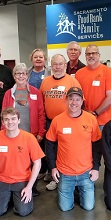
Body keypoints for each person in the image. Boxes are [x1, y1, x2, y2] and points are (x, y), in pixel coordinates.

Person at [45, 87, 102, 211]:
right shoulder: (57, 120)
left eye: (77, 99)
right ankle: (70, 191)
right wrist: (52, 167)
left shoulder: (91, 119)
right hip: (65, 173)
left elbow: (97, 145)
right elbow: (49, 144)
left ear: (82, 101)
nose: (74, 102)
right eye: (71, 99)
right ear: (66, 101)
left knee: (88, 207)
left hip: (85, 172)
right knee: (65, 208)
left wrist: (96, 168)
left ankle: (78, 191)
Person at [0, 107, 45, 217]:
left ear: (19, 120)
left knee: (23, 211)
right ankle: (9, 197)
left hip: (22, 180)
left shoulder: (29, 138)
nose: (10, 122)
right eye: (6, 119)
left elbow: (37, 163)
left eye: (13, 119)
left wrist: (29, 188)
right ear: (2, 121)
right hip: (3, 180)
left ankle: (15, 198)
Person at [1, 63, 46, 196]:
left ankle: (32, 187)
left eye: (23, 73)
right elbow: (3, 114)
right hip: (13, 134)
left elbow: (41, 114)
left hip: (31, 134)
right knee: (17, 160)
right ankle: (17, 185)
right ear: (14, 76)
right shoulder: (9, 94)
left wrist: (41, 132)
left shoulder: (35, 92)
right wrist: (4, 132)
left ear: (27, 75)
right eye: (17, 73)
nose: (21, 76)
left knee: (33, 161)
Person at [39, 54, 81, 191]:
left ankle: (61, 179)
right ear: (51, 65)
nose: (58, 67)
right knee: (50, 149)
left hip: (67, 123)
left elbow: (80, 102)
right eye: (55, 64)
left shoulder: (72, 81)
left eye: (60, 64)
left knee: (63, 151)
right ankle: (53, 175)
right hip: (49, 122)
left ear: (65, 65)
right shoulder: (45, 81)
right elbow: (41, 102)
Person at [75, 44, 111, 128]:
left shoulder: (108, 72)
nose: (91, 56)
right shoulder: (79, 74)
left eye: (93, 53)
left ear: (99, 55)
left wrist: (96, 113)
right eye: (88, 54)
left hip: (103, 121)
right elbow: (77, 96)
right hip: (84, 119)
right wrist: (85, 111)